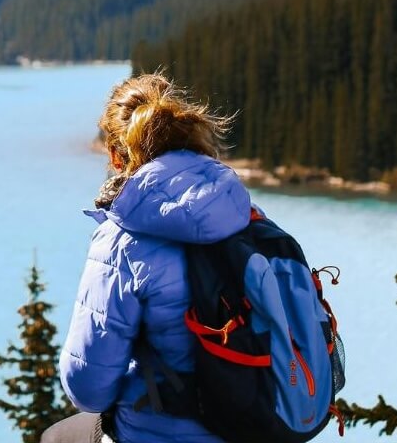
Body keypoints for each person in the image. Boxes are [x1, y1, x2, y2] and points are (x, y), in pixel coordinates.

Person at [43, 73, 251, 443]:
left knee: (57, 438)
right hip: (257, 423)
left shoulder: (122, 239)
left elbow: (88, 387)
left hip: (159, 433)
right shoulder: (242, 212)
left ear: (114, 154)